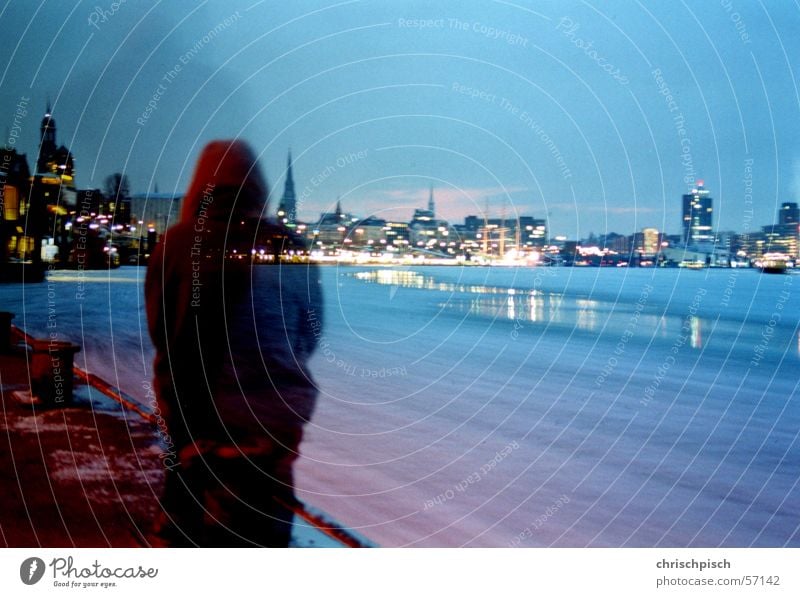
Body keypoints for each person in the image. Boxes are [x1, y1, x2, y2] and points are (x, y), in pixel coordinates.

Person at [145, 139, 322, 547]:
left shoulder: (175, 245)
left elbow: (163, 331)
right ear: (260, 186)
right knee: (267, 522)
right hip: (276, 415)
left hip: (198, 413)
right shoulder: (290, 246)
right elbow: (310, 333)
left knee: (190, 516)